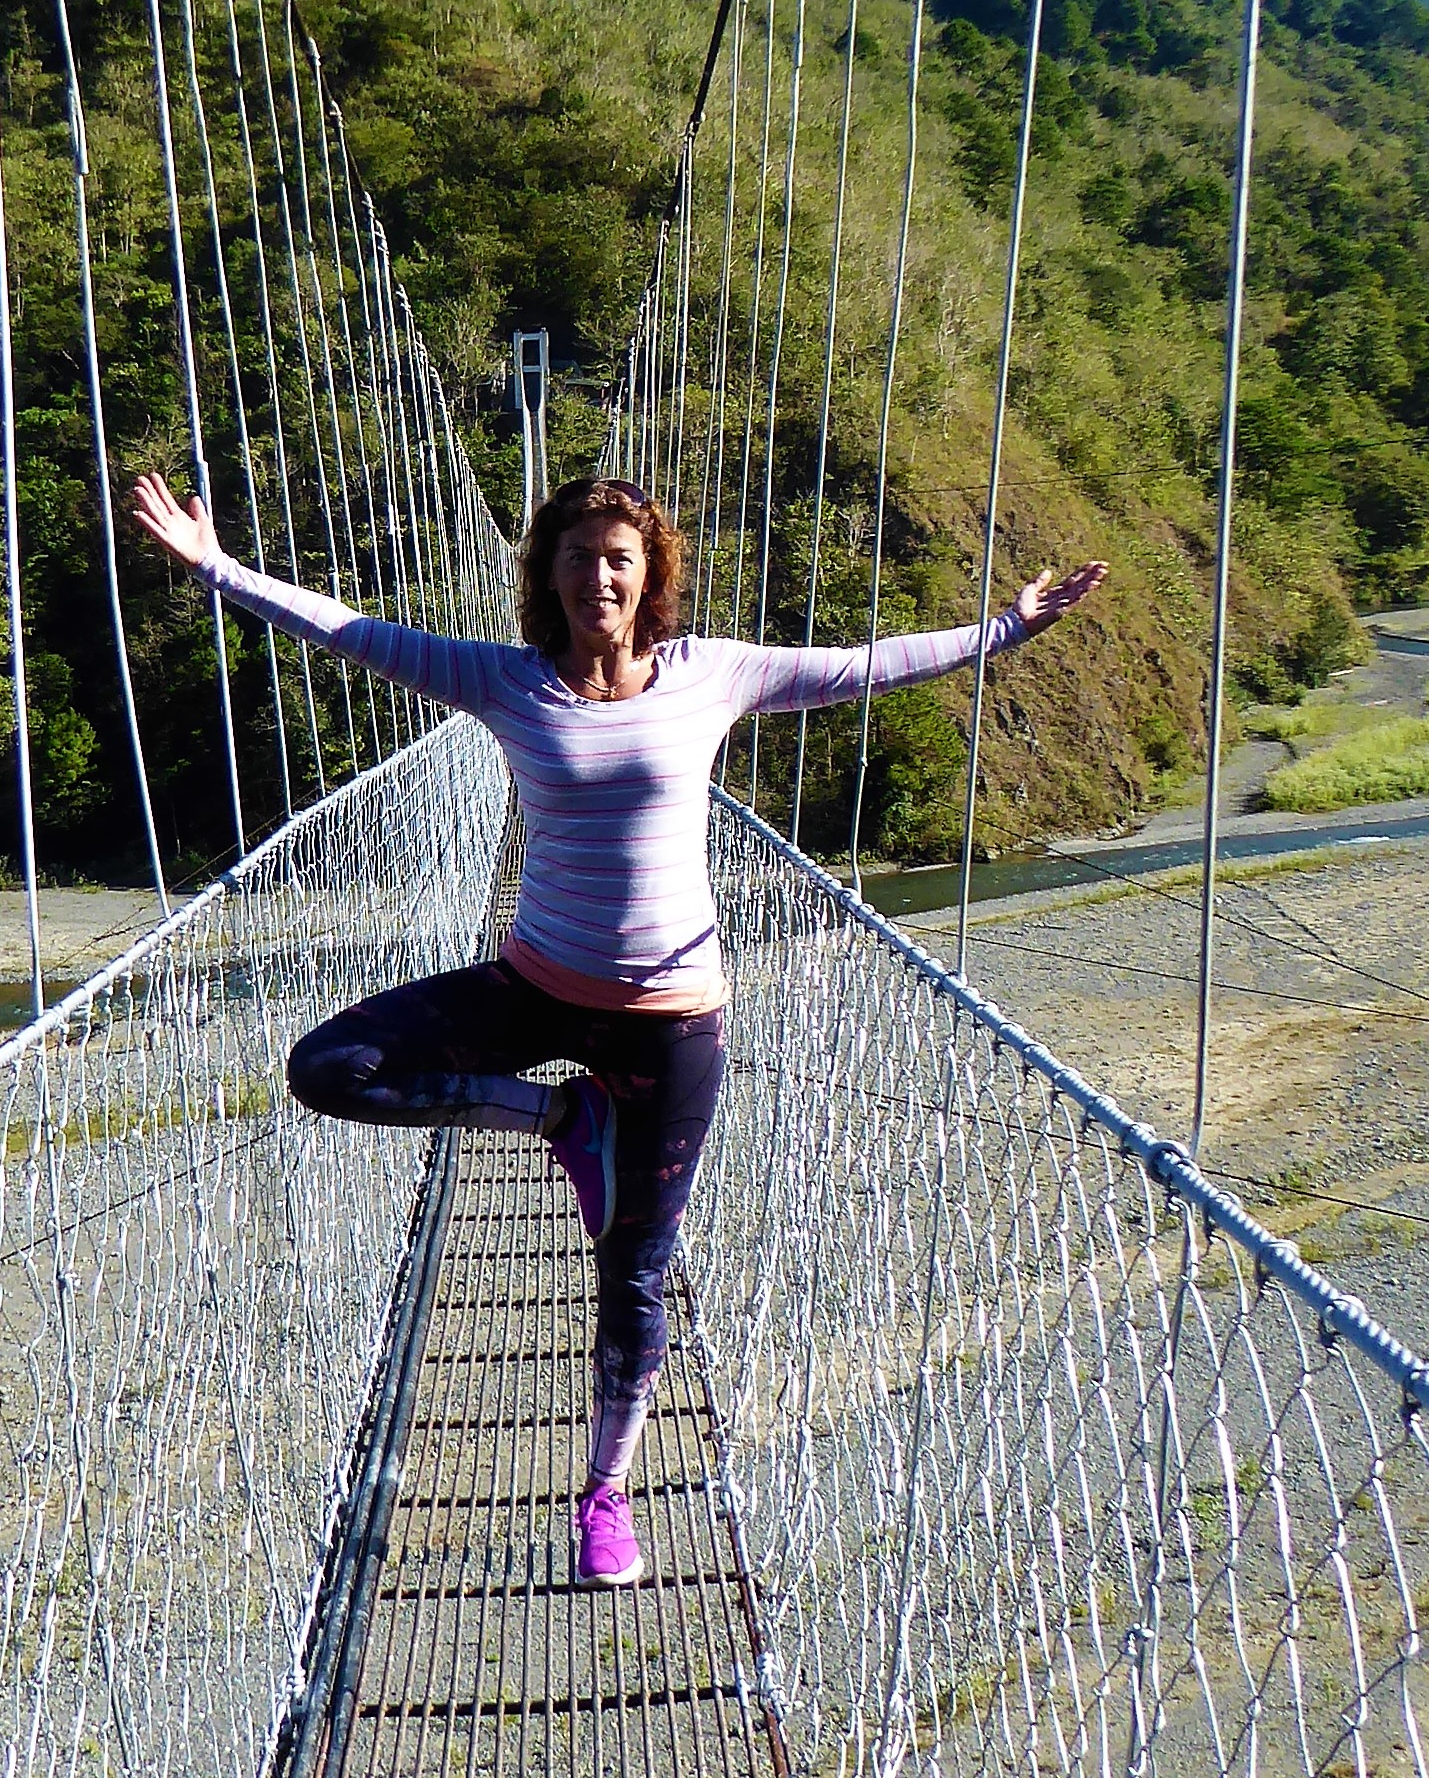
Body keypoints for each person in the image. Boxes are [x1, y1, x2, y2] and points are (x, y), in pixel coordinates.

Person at [128, 466, 1105, 1588]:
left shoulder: (715, 675)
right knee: (328, 1066)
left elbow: (865, 666)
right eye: (580, 555)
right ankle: (557, 1114)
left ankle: (604, 1491)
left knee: (634, 1273)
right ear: (547, 573)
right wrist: (217, 569)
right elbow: (354, 631)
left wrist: (1006, 627)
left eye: (620, 558)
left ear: (651, 579)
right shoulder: (506, 681)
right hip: (538, 987)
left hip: (671, 1023)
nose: (600, 575)